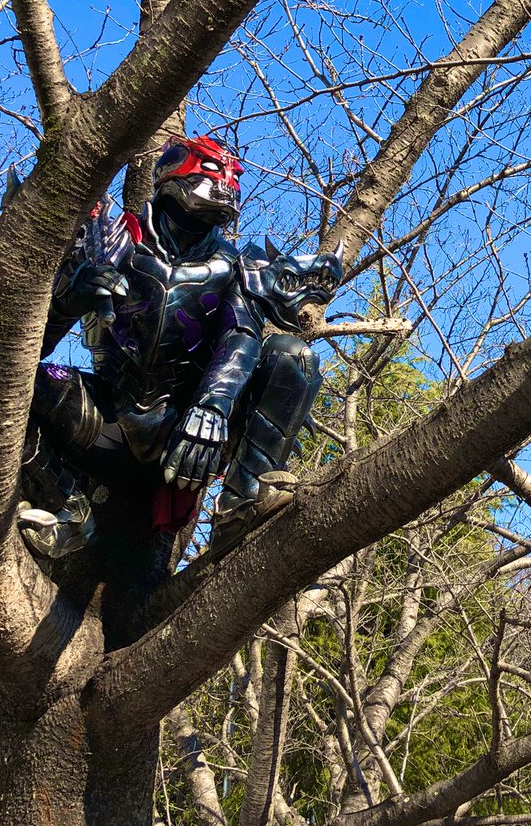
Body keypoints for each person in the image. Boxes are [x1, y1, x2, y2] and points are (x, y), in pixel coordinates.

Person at [19, 135, 337, 559]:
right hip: (107, 417)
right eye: (210, 171)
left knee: (294, 357)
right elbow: (27, 347)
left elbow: (239, 336)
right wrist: (66, 300)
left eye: (230, 176)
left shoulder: (233, 266)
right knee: (2, 382)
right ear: (174, 171)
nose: (224, 183)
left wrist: (212, 406)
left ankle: (242, 503)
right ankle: (65, 507)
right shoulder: (112, 241)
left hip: (187, 434)